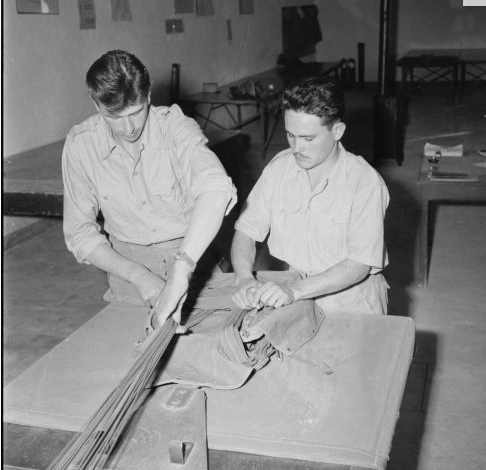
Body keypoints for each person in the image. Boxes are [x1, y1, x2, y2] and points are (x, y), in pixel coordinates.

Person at [62, 50, 237, 326]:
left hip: (192, 258)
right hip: (127, 271)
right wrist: (138, 275)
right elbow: (80, 234)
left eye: (136, 112)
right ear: (96, 105)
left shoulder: (175, 126)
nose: (129, 127)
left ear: (149, 96)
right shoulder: (81, 145)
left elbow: (216, 189)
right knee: (124, 356)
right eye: (115, 117)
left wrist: (181, 270)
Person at [230, 77, 390, 314]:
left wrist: (294, 292)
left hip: (351, 299)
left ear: (337, 131)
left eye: (308, 138)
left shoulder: (364, 183)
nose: (296, 148)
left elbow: (358, 265)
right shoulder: (279, 169)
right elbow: (246, 232)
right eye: (290, 135)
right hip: (295, 288)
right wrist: (244, 279)